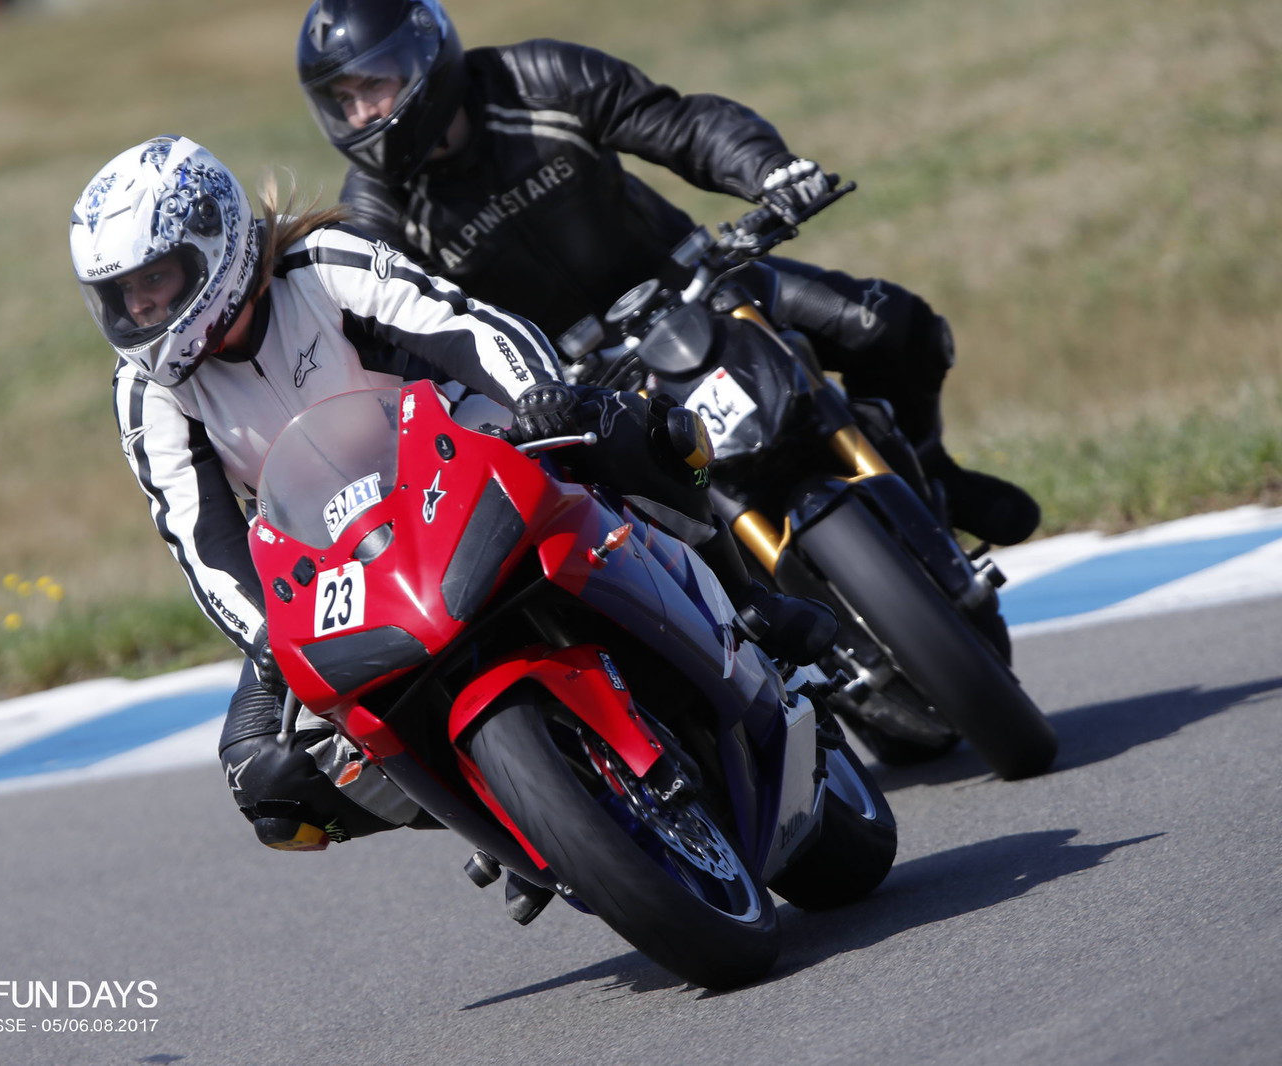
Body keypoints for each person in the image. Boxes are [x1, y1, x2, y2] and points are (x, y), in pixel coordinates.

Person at [70, 135, 836, 855]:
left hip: (459, 449)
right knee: (265, 782)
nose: (141, 310)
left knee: (642, 430)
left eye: (155, 281)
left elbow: (463, 325)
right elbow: (200, 540)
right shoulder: (148, 393)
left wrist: (535, 395)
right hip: (335, 551)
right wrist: (265, 635)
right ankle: (503, 812)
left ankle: (751, 607)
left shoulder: (321, 264)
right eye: (121, 295)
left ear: (214, 242)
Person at [295, 0, 1042, 547]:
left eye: (373, 85)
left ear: (425, 56)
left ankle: (933, 475)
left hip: (697, 288)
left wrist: (770, 170)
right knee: (644, 543)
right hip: (575, 385)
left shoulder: (537, 79)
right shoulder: (376, 212)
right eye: (344, 99)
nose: (361, 113)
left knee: (892, 324)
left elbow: (678, 124)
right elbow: (398, 332)